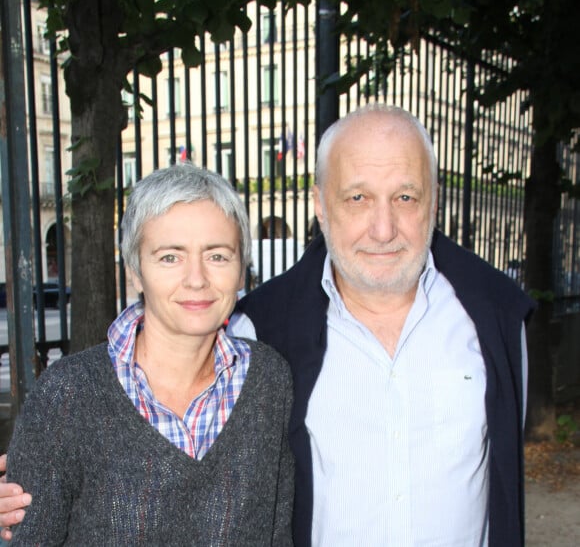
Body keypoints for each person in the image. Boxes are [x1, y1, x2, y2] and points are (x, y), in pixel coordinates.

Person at [0, 104, 534, 546]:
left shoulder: (496, 322)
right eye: (357, 197)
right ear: (321, 207)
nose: (383, 226)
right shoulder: (266, 329)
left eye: (405, 197)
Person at [0, 163, 294, 544]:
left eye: (217, 256)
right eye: (170, 257)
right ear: (136, 272)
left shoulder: (269, 380)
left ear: (241, 271)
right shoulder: (67, 396)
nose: (196, 278)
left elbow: (277, 536)